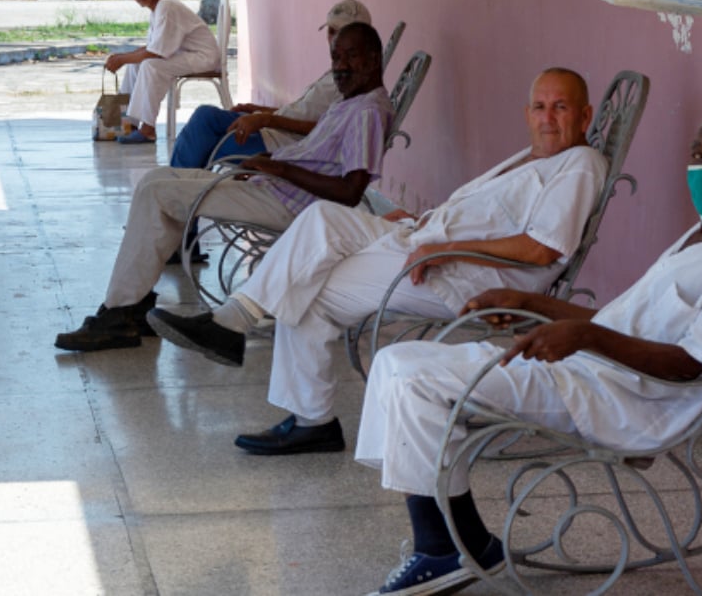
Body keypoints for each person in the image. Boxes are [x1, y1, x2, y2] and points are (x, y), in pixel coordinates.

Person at [353, 104, 702, 595]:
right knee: (395, 361)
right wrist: (528, 302)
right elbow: (615, 322)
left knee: (418, 380)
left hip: (626, 400)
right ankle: (466, 542)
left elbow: (694, 364)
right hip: (590, 371)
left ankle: (440, 549)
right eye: (698, 154)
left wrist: (585, 338)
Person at [146, 68, 608, 457]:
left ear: (584, 115)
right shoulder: (531, 159)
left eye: (561, 108)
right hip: (425, 242)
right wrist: (423, 222)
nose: (548, 118)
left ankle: (308, 415)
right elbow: (488, 216)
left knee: (309, 286)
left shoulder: (580, 163)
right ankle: (235, 323)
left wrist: (444, 247)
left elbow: (543, 248)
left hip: (461, 276)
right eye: (540, 107)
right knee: (322, 218)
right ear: (527, 114)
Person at [55, 22, 393, 352]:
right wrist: (268, 163)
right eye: (336, 58)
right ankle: (132, 305)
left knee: (157, 192)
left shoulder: (367, 112)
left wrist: (279, 168)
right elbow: (319, 156)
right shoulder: (350, 102)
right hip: (275, 187)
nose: (341, 67)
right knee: (156, 181)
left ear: (375, 58)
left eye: (351, 56)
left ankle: (120, 314)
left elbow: (350, 191)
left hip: (290, 205)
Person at [169, 0, 373, 169]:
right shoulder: (338, 71)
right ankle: (177, 194)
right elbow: (301, 112)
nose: (334, 40)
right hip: (275, 130)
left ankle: (177, 200)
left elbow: (331, 131)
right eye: (331, 31)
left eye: (342, 34)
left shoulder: (352, 82)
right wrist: (257, 110)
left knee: (208, 146)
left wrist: (266, 120)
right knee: (205, 117)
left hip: (286, 146)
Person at [104, 0, 221, 144]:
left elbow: (157, 52)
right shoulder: (157, 8)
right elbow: (152, 47)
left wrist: (122, 59)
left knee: (151, 66)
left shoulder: (166, 7)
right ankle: (127, 122)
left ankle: (148, 129)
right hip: (186, 55)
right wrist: (123, 58)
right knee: (135, 65)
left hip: (203, 57)